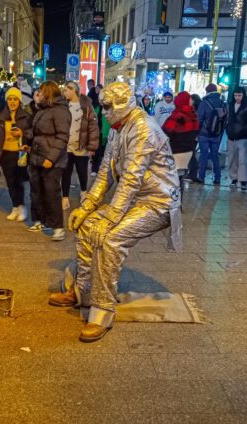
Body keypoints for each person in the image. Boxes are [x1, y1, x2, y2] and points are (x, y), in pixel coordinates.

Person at [47, 82, 182, 343]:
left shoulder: (143, 129)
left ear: (123, 105)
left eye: (109, 107)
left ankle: (102, 312)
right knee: (87, 226)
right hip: (133, 199)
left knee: (110, 240)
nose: (104, 111)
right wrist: (87, 207)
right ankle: (82, 293)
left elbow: (130, 179)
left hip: (158, 201)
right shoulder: (120, 128)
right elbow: (106, 172)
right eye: (103, 105)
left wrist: (109, 217)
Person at [26, 80, 71, 241]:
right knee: (36, 190)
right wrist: (27, 139)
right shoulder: (42, 109)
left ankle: (58, 226)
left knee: (52, 192)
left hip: (52, 159)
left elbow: (62, 137)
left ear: (49, 93)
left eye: (42, 91)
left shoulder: (60, 111)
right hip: (36, 156)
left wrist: (51, 158)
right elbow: (36, 131)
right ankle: (40, 219)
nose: (40, 94)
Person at [0, 86, 32, 222]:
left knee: (18, 182)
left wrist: (22, 133)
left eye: (15, 99)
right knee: (10, 182)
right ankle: (15, 207)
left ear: (19, 101)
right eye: (10, 99)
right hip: (5, 153)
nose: (12, 102)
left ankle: (21, 206)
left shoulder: (26, 116)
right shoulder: (0, 116)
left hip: (19, 154)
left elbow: (33, 132)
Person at [61, 81, 99, 210]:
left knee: (82, 172)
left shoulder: (86, 105)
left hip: (81, 146)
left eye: (66, 90)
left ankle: (83, 192)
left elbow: (93, 126)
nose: (64, 92)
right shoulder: (63, 105)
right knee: (65, 173)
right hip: (66, 146)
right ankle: (64, 198)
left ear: (73, 90)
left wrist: (92, 146)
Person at [162, 90, 198, 192]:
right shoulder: (193, 115)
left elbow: (164, 132)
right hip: (188, 152)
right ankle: (179, 203)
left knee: (172, 181)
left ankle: (173, 203)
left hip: (176, 152)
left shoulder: (177, 116)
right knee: (179, 179)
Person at [197, 83, 228, 185]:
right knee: (215, 156)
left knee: (204, 155)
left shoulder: (204, 103)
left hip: (204, 134)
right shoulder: (222, 103)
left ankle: (201, 177)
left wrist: (197, 132)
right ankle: (217, 178)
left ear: (207, 91)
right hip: (216, 134)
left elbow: (199, 119)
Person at [225, 87, 247, 191]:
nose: (237, 98)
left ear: (243, 95)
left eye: (239, 95)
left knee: (242, 160)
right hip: (231, 136)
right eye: (235, 95)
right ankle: (234, 178)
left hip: (242, 137)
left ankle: (243, 180)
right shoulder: (230, 105)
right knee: (232, 159)